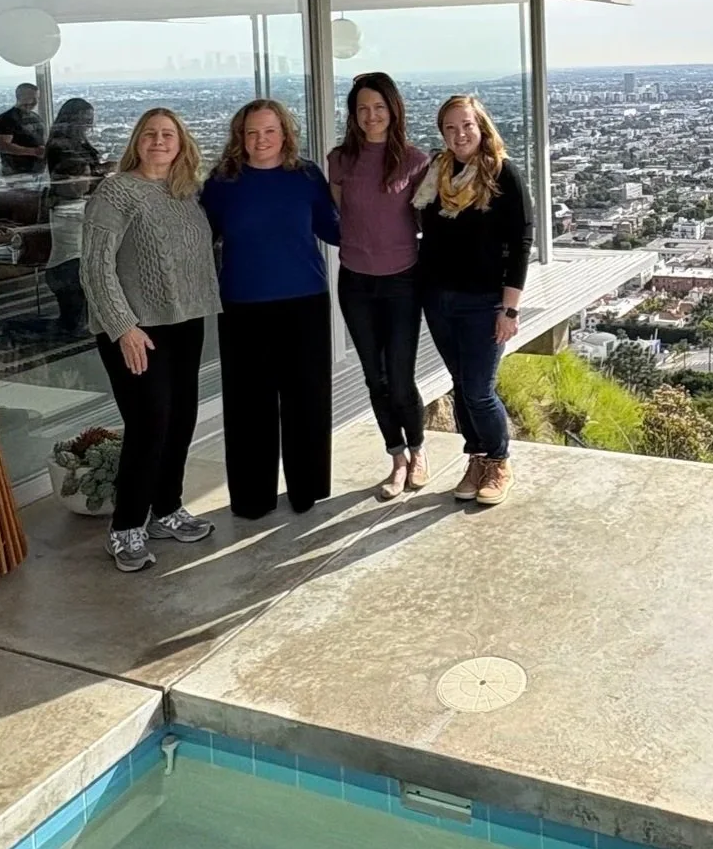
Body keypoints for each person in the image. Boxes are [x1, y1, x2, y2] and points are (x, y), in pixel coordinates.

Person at [80, 107, 221, 573]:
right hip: (136, 329)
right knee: (149, 424)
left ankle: (166, 509)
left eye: (168, 135)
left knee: (181, 420)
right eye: (150, 134)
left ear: (181, 144)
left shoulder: (186, 192)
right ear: (136, 142)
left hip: (185, 323)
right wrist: (123, 326)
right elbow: (94, 266)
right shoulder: (116, 191)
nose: (159, 141)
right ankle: (125, 527)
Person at [200, 98, 341, 520]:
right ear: (240, 137)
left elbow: (334, 229)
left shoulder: (306, 176)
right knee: (248, 406)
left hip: (304, 302)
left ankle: (307, 488)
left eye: (269, 131)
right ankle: (252, 497)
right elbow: (197, 239)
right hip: (242, 305)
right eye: (252, 132)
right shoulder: (222, 183)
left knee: (307, 399)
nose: (261, 140)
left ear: (285, 134)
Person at [416, 95, 532, 507]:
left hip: (484, 301)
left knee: (480, 390)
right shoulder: (436, 173)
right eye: (450, 127)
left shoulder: (502, 173)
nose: (459, 134)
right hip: (439, 298)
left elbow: (521, 243)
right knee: (461, 384)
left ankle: (499, 461)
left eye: (466, 125)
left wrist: (510, 308)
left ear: (481, 126)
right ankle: (477, 458)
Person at [327, 73, 433, 500]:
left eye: (379, 107)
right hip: (355, 282)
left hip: (403, 281)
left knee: (401, 378)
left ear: (393, 110)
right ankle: (397, 459)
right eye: (362, 109)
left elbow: (428, 220)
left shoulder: (415, 161)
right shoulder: (340, 161)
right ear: (353, 114)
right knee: (376, 378)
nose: (371, 116)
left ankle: (419, 451)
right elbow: (344, 217)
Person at [42, 97, 102, 336]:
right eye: (85, 119)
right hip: (72, 203)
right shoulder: (62, 146)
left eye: (90, 119)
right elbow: (71, 174)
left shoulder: (74, 141)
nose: (89, 124)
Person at [0, 83, 45, 176]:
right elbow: (3, 146)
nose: (35, 102)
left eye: (37, 98)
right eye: (31, 98)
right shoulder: (7, 118)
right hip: (17, 173)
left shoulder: (35, 117)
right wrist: (35, 151)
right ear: (20, 97)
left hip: (38, 171)